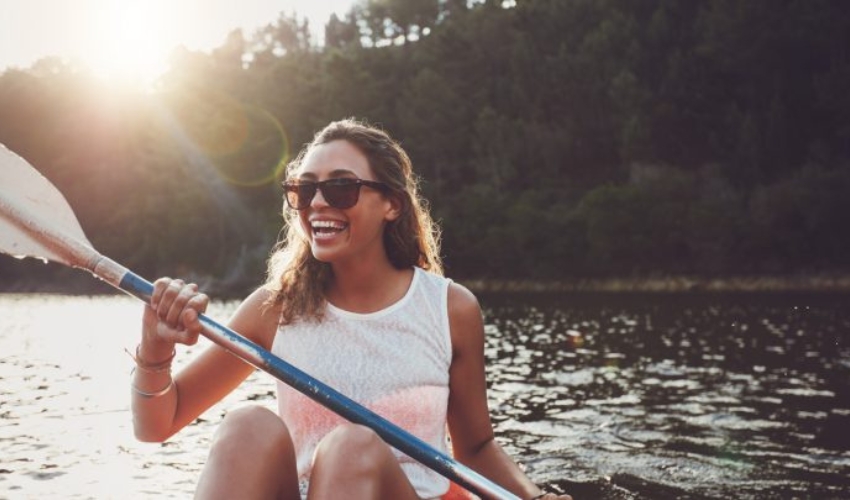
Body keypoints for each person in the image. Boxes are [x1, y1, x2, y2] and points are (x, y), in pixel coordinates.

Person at [130, 118, 572, 500]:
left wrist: (533, 496)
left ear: (392, 204)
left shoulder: (450, 308)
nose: (318, 202)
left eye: (341, 187)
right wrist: (155, 350)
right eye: (305, 189)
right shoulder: (274, 308)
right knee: (247, 425)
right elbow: (157, 424)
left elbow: (475, 448)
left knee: (352, 446)